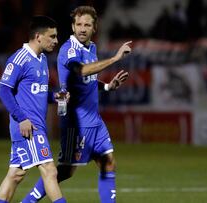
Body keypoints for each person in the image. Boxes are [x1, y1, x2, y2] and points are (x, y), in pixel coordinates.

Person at [22, 6, 131, 203]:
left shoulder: (92, 48)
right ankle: (27, 201)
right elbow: (81, 71)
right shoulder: (68, 49)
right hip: (76, 122)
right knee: (64, 171)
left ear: (94, 28)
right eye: (78, 24)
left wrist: (107, 86)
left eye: (87, 24)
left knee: (108, 163)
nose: (82, 28)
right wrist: (115, 58)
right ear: (72, 27)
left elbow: (86, 82)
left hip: (95, 121)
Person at [0, 16, 67, 203]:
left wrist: (56, 97)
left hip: (34, 125)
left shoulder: (42, 59)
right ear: (38, 36)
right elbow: (3, 89)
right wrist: (21, 118)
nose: (56, 41)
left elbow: (38, 93)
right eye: (52, 36)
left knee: (16, 174)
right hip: (29, 126)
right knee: (50, 170)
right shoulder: (20, 58)